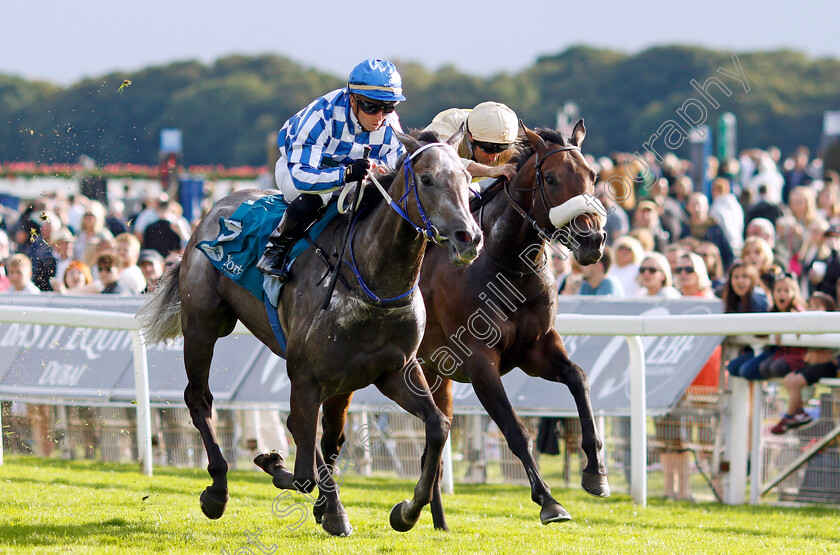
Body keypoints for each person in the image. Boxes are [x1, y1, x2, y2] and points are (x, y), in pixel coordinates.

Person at [258, 59, 407, 279]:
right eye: (371, 107)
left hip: (353, 174)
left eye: (388, 107)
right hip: (298, 170)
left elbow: (398, 167)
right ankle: (275, 249)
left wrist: (381, 171)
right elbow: (302, 177)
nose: (379, 117)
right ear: (353, 98)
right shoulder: (321, 117)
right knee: (320, 195)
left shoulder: (389, 122)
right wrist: (345, 174)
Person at [771, 292, 838, 434]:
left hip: (828, 365)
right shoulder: (806, 326)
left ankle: (788, 417)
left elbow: (829, 354)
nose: (813, 309)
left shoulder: (832, 326)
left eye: (817, 306)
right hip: (813, 364)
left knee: (795, 382)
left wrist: (822, 356)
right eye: (811, 306)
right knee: (789, 379)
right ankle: (799, 411)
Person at [423, 101, 518, 184]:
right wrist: (490, 171)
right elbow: (446, 163)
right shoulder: (447, 126)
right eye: (488, 149)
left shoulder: (507, 138)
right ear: (471, 137)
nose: (493, 158)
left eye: (501, 150)